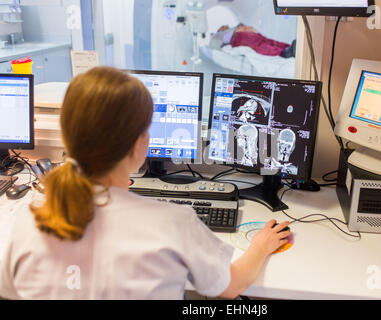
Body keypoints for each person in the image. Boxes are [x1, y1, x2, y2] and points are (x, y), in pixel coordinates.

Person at [0, 67, 291, 300]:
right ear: (141, 144)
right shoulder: (172, 222)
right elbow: (230, 286)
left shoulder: (28, 221)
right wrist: (260, 246)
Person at [210, 24, 296, 58]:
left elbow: (243, 26)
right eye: (223, 27)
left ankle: (288, 47)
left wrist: (247, 29)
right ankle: (284, 52)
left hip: (245, 34)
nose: (226, 26)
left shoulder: (233, 28)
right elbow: (214, 42)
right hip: (240, 37)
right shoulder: (219, 35)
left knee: (267, 41)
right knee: (260, 45)